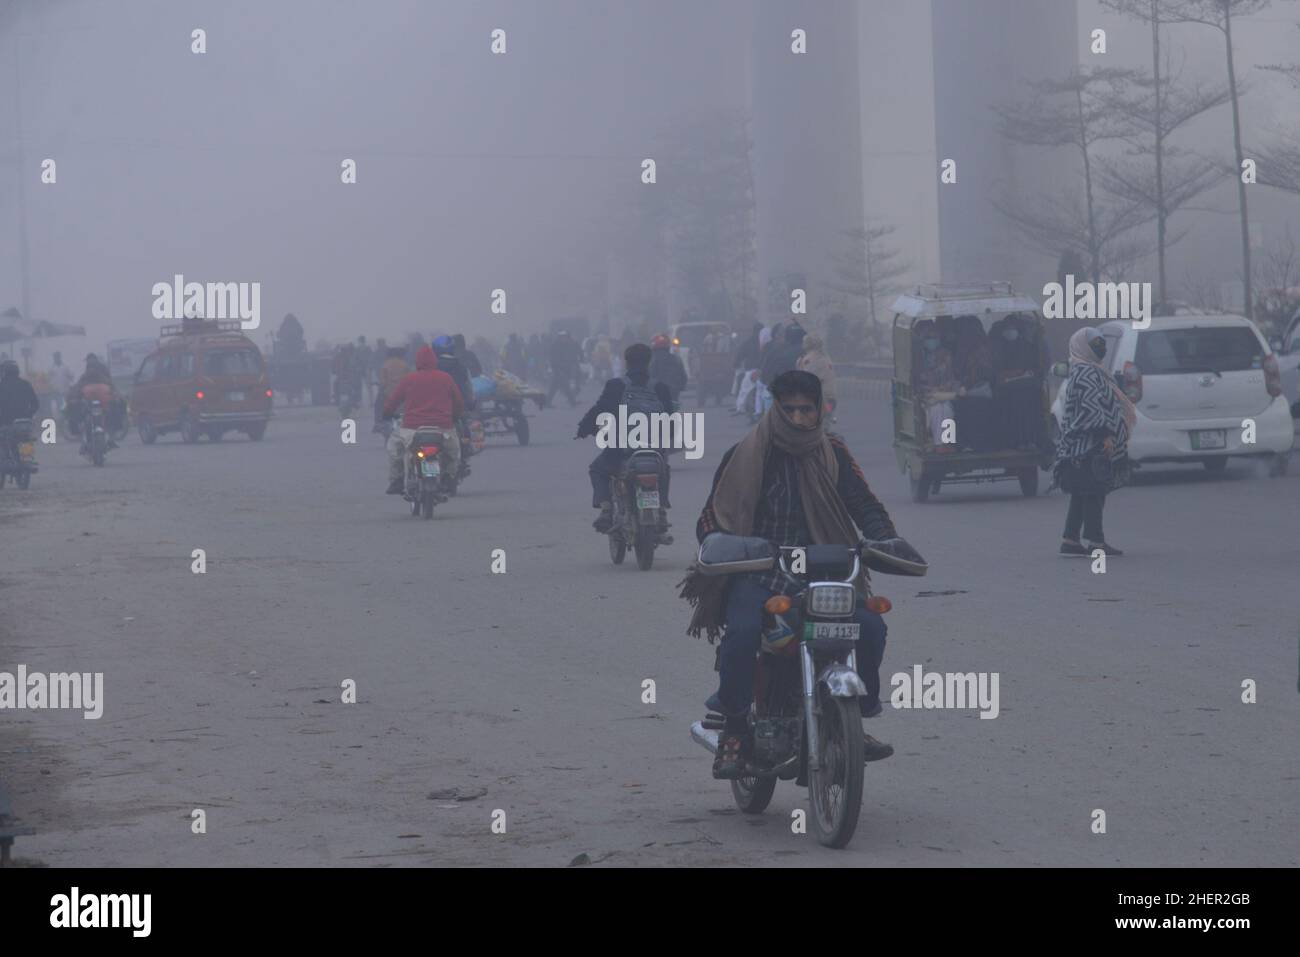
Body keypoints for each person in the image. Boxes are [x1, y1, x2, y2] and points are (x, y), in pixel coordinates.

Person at [680, 370, 903, 778]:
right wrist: (722, 543)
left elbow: (866, 506)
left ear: (819, 410)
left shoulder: (834, 453)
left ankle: (852, 719)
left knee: (870, 628)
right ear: (775, 410)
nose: (799, 418)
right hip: (760, 574)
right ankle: (733, 727)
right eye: (790, 410)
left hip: (827, 575)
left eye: (807, 409)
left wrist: (883, 538)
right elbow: (712, 515)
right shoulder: (746, 454)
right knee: (743, 634)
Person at [576, 343, 676, 535]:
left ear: (626, 362)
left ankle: (606, 510)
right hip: (653, 449)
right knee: (663, 469)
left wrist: (584, 428)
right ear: (649, 362)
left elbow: (600, 410)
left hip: (620, 450)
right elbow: (671, 419)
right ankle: (661, 510)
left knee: (598, 469)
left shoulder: (616, 385)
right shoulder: (660, 387)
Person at [1053, 327, 1135, 558]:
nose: (1102, 347)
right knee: (1094, 491)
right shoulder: (1087, 373)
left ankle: (1070, 539)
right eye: (1096, 344)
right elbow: (1091, 408)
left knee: (1082, 491)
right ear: (1083, 346)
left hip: (1080, 444)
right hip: (1089, 442)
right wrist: (1105, 435)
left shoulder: (1084, 370)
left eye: (1101, 342)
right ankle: (1096, 542)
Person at [381, 346, 463, 495]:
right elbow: (458, 402)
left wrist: (386, 413)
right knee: (453, 452)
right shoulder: (445, 378)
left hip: (412, 429)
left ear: (417, 362)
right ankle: (449, 478)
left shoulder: (409, 379)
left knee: (394, 448)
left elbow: (394, 401)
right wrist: (455, 417)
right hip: (443, 428)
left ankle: (397, 480)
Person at [914, 320, 958, 450]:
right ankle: (939, 444)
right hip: (926, 395)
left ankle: (948, 442)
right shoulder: (918, 356)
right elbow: (916, 380)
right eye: (928, 337)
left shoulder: (945, 354)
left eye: (934, 337)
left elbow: (951, 377)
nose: (931, 340)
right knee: (936, 409)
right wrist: (929, 389)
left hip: (944, 393)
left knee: (947, 409)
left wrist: (945, 387)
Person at [796, 334, 838, 422]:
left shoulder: (810, 359)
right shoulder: (825, 357)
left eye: (804, 342)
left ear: (808, 344)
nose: (802, 344)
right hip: (830, 398)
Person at [374, 346, 408, 432]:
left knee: (378, 405)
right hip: (402, 392)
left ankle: (378, 423)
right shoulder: (404, 364)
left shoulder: (386, 364)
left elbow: (383, 382)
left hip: (388, 392)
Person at [732, 323, 763, 416]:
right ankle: (760, 410)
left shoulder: (748, 342)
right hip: (763, 370)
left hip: (751, 370)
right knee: (762, 392)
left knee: (744, 391)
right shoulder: (765, 342)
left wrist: (736, 364)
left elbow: (740, 354)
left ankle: (740, 408)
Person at [649, 334, 688, 404]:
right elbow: (683, 377)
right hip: (673, 392)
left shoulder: (651, 361)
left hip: (656, 393)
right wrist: (680, 387)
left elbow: (648, 376)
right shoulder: (676, 359)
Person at [0, 360, 39, 427]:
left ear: (5, 372)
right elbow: (35, 403)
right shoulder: (25, 384)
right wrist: (29, 415)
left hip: (5, 422)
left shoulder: (2, 385)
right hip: (24, 421)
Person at [547, 331, 582, 407]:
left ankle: (547, 402)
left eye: (565, 337)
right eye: (563, 337)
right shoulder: (555, 345)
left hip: (562, 368)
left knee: (554, 387)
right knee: (565, 386)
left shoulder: (563, 345)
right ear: (560, 337)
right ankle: (572, 402)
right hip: (558, 368)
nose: (565, 338)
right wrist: (557, 368)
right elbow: (554, 358)